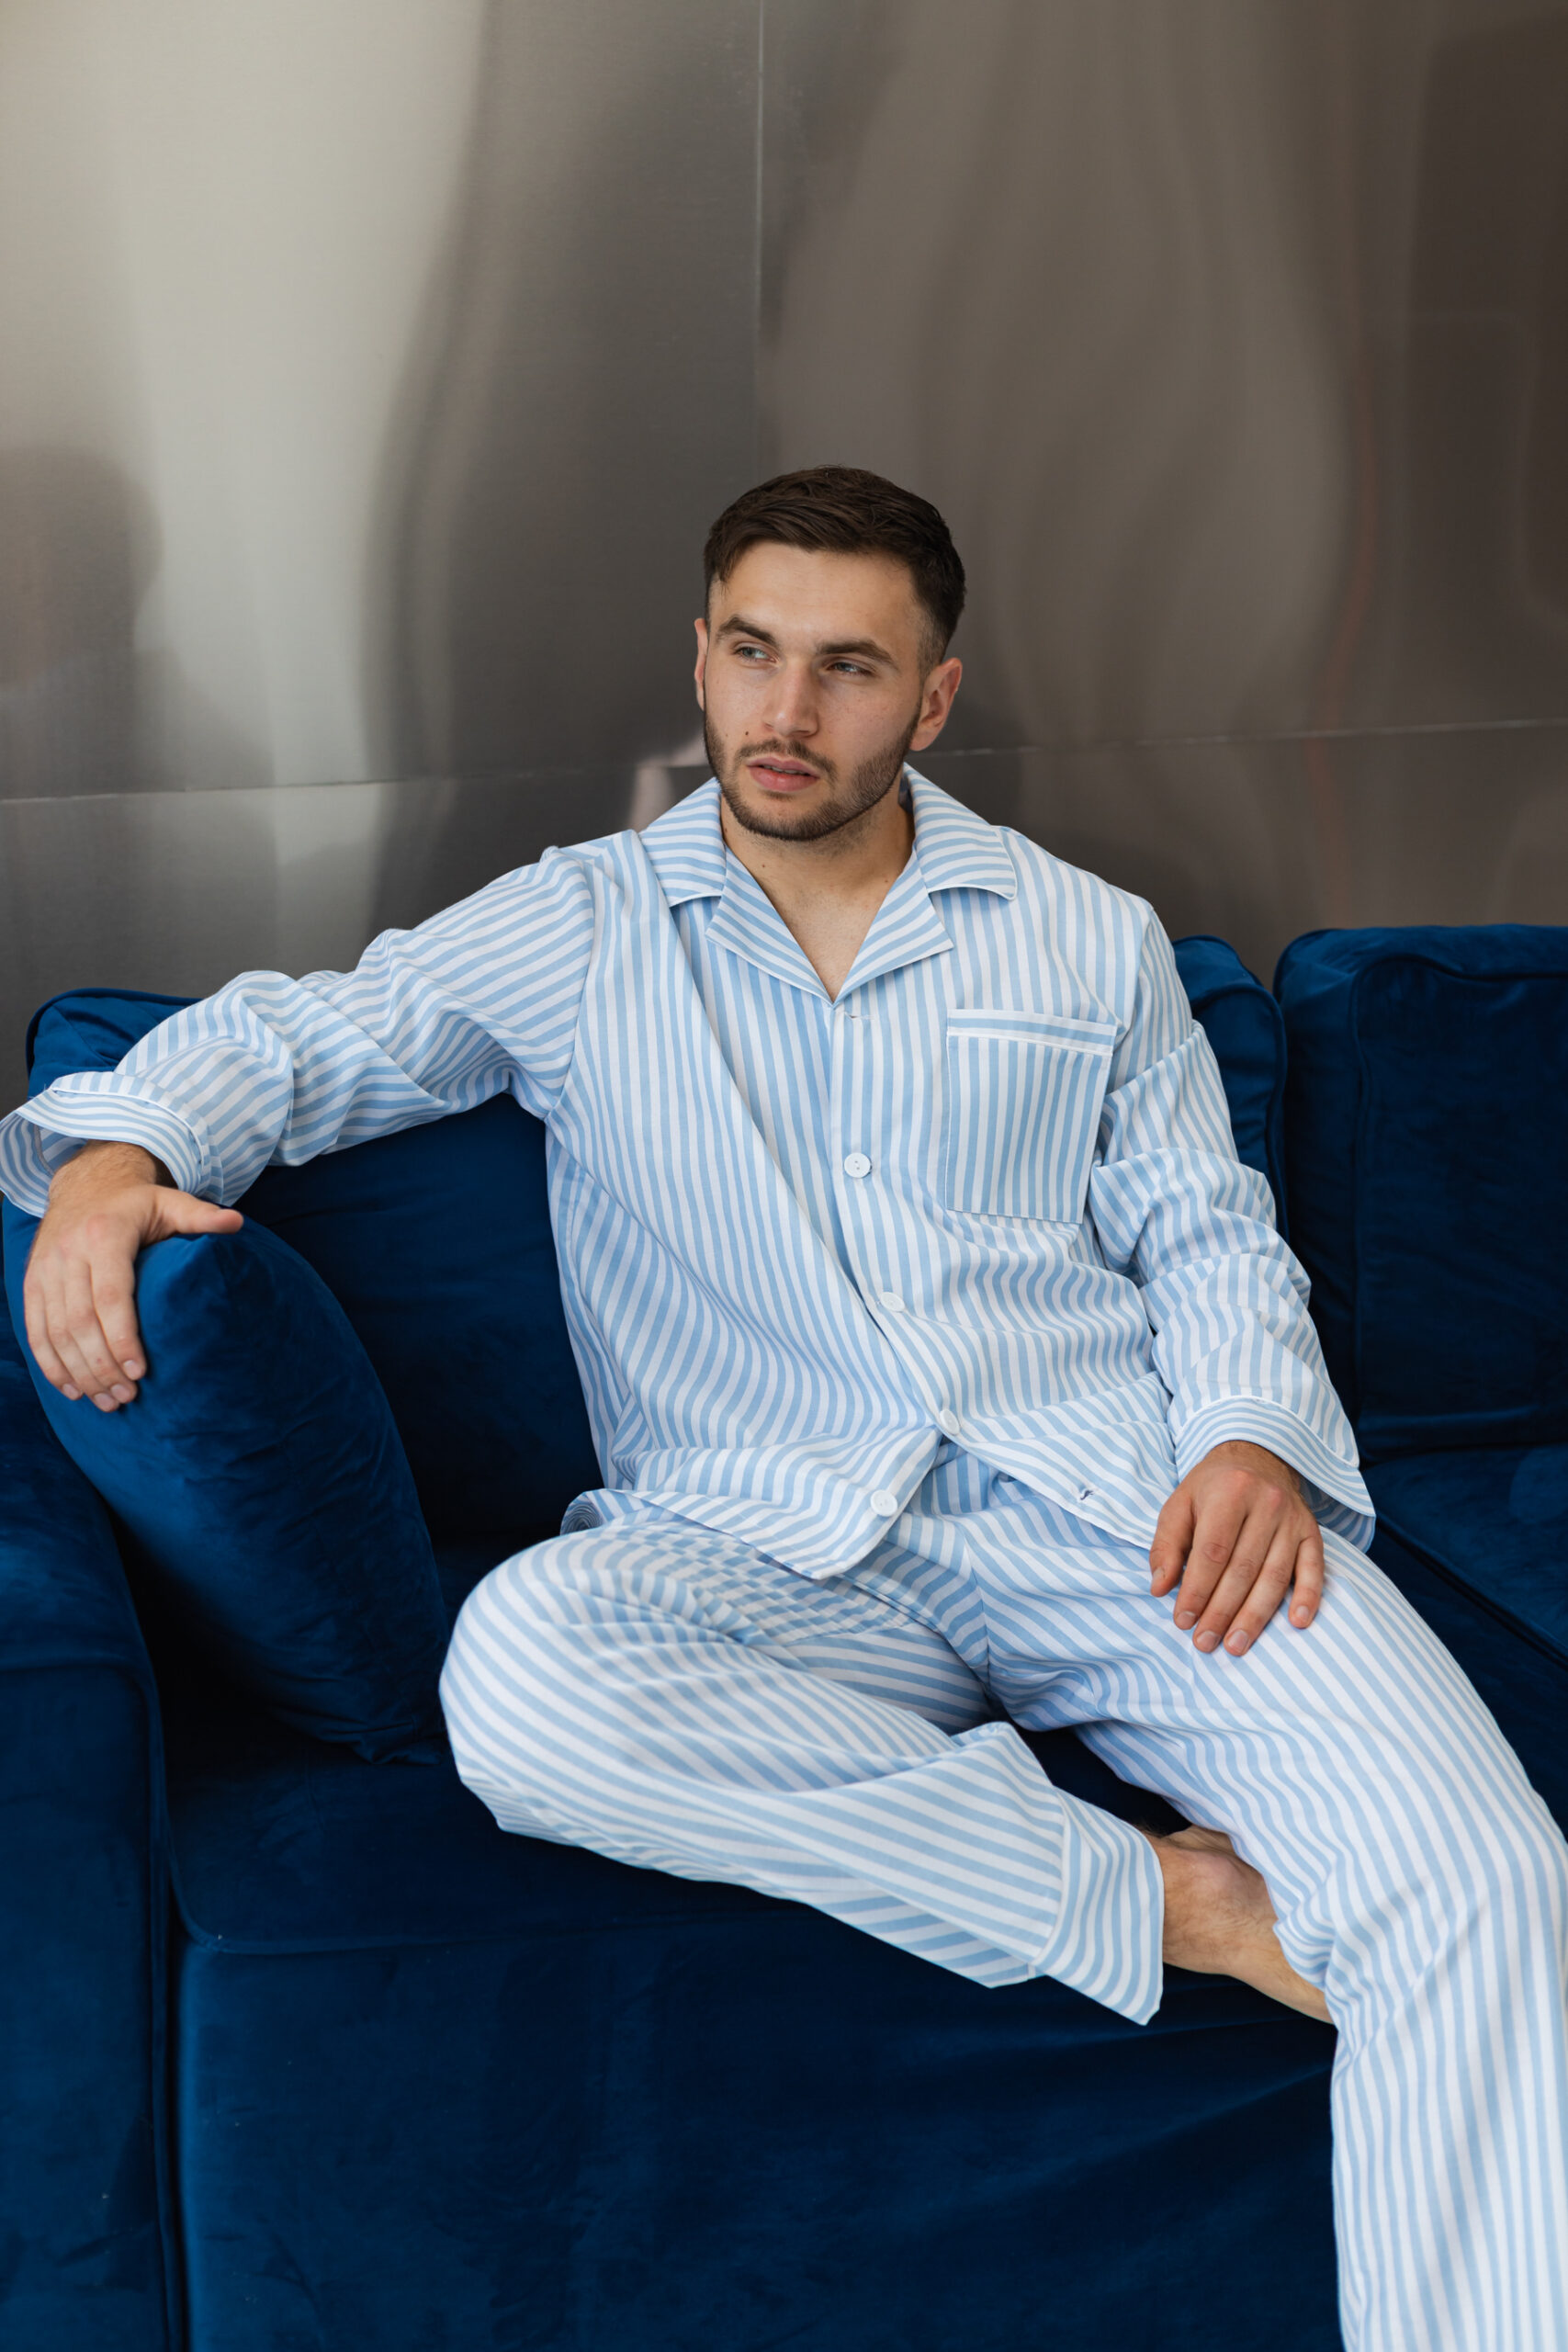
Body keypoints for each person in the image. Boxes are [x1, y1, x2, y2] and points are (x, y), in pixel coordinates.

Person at [5, 468, 1566, 2350]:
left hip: (1116, 1513)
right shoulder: (580, 923)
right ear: (699, 656)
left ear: (934, 696)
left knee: (1485, 1876)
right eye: (752, 652)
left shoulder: (1085, 934)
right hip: (767, 1552)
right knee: (523, 1674)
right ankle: (1162, 1903)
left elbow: (1205, 1229)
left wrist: (1246, 1435)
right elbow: (305, 1036)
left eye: (848, 667)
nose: (786, 710)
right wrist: (116, 1160)